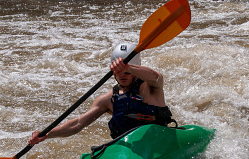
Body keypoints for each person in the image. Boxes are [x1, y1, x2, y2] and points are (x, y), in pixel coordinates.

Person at [29, 43, 175, 145]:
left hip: (158, 141)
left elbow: (157, 77)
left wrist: (129, 66)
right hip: (129, 149)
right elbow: (78, 123)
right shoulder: (108, 99)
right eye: (119, 71)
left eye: (127, 71)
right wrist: (47, 134)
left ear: (135, 68)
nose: (122, 75)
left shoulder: (150, 86)